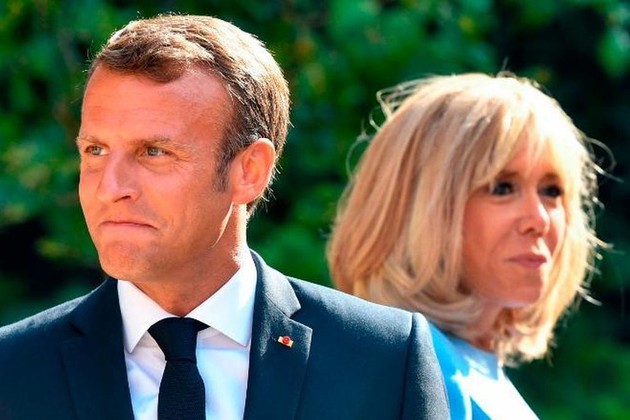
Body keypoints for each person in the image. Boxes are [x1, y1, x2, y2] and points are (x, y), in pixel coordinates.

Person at [0, 14, 449, 420]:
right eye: (95, 150)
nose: (109, 187)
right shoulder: (13, 371)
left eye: (154, 152)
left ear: (249, 171)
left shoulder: (382, 359)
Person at [327, 72, 606, 419]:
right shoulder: (409, 372)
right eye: (502, 188)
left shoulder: (470, 366)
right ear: (419, 207)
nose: (539, 219)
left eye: (552, 191)